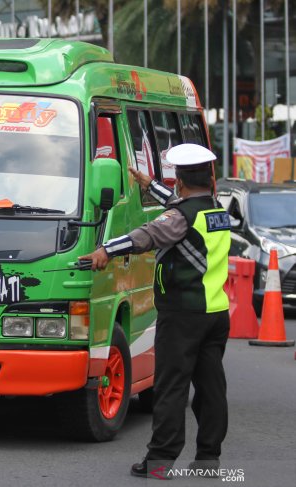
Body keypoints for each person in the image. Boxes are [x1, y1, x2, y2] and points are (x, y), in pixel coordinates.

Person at [79, 143, 231, 479]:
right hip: (215, 312)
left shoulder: (180, 217)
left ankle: (160, 460)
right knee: (211, 389)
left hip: (183, 314)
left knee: (171, 386)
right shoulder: (215, 210)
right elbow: (180, 207)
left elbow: (149, 234)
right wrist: (149, 185)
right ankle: (208, 460)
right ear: (211, 178)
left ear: (179, 180)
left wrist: (107, 249)